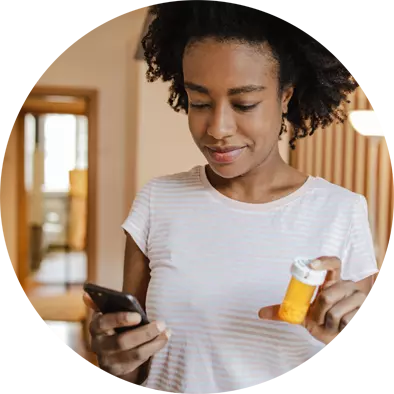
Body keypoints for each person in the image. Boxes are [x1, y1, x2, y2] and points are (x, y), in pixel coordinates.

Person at [84, 1, 379, 392]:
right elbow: (132, 373)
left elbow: (369, 374)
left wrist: (345, 344)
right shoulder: (158, 200)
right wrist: (115, 359)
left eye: (244, 104)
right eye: (200, 102)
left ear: (285, 96)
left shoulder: (342, 211)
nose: (218, 128)